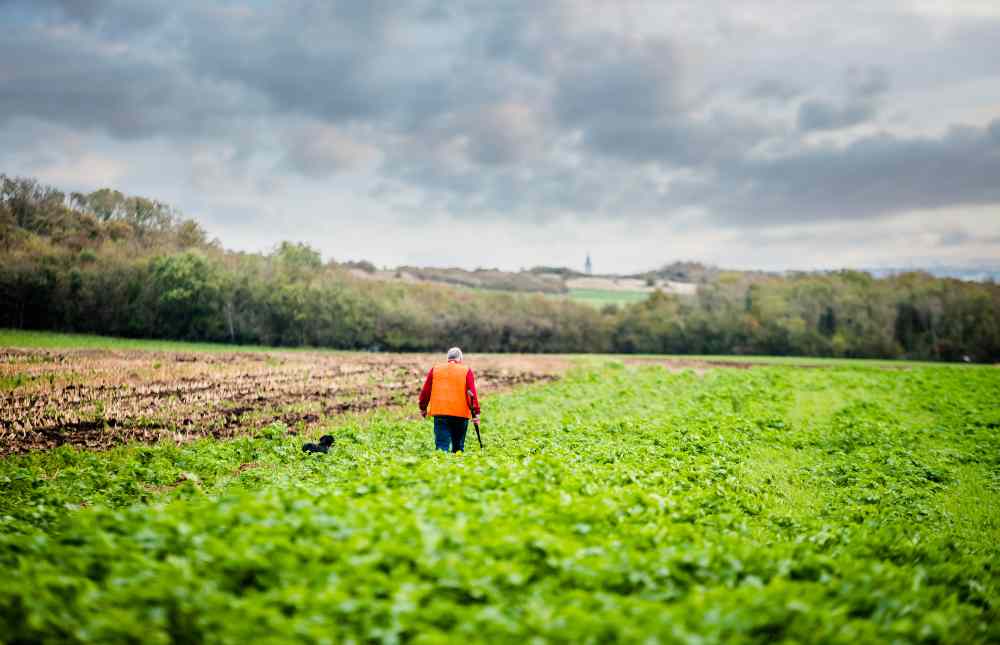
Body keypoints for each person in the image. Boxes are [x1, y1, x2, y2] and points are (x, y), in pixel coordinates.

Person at [418, 347, 480, 452]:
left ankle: (441, 466)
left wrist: (423, 408)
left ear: (448, 359)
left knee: (442, 447)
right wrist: (476, 413)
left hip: (441, 413)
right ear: (460, 359)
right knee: (458, 448)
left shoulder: (436, 369)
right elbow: (471, 393)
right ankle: (457, 467)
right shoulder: (466, 370)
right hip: (460, 414)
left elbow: (425, 391)